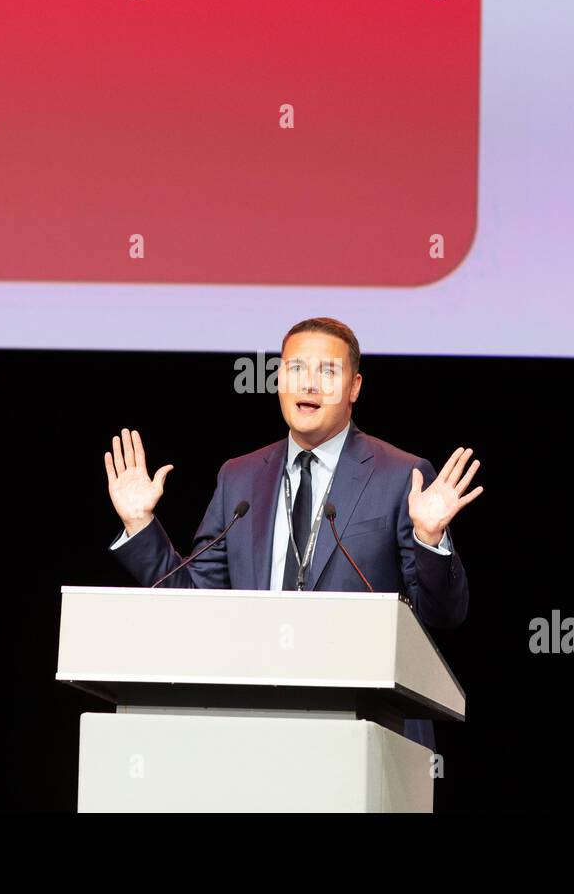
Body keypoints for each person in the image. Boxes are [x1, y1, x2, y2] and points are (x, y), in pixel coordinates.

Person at [103, 317, 481, 749]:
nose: (309, 385)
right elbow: (194, 603)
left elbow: (443, 614)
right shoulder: (239, 478)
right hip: (252, 727)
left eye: (328, 372)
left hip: (370, 733)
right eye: (296, 369)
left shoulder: (400, 476)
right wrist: (141, 526)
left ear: (355, 387)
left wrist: (430, 540)